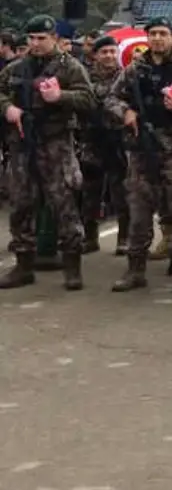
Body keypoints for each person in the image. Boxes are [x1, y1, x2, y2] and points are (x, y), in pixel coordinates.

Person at [106, 17, 172, 293]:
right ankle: (135, 270)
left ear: (171, 37)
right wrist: (125, 112)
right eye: (152, 34)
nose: (157, 39)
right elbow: (111, 98)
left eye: (163, 34)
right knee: (139, 213)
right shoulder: (134, 70)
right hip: (142, 151)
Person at [0, 15, 94, 291]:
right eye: (31, 38)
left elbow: (89, 99)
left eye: (41, 38)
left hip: (56, 143)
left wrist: (60, 97)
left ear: (54, 38)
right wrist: (7, 107)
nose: (36, 43)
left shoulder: (70, 67)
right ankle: (24, 265)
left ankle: (72, 267)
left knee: (64, 204)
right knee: (20, 204)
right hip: (22, 144)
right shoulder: (16, 68)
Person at [78, 34, 127, 255]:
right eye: (104, 52)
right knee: (90, 193)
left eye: (112, 51)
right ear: (96, 55)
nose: (109, 56)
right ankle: (90, 237)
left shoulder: (126, 77)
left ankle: (124, 238)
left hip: (118, 141)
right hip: (92, 140)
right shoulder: (85, 78)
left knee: (121, 193)